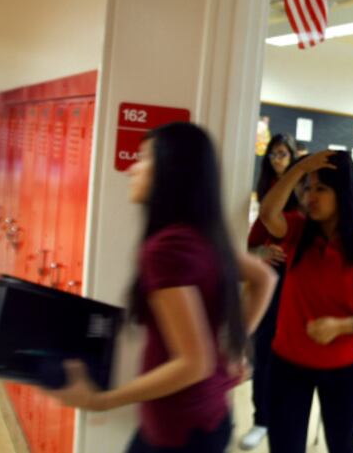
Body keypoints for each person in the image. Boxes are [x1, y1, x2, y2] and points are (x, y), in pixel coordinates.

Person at [47, 122, 277, 453]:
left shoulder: (167, 249)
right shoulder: (198, 235)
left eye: (143, 158)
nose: (131, 169)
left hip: (181, 430)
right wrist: (232, 343)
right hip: (202, 418)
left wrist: (102, 400)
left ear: (171, 171)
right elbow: (263, 278)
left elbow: (193, 362)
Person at [259, 150, 353, 453]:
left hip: (345, 369)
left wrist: (343, 326)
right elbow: (267, 214)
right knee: (284, 447)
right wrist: (301, 168)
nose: (309, 196)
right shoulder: (297, 230)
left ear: (342, 191)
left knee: (341, 447)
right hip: (287, 365)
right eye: (307, 188)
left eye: (321, 188)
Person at [240, 133, 299, 450]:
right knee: (264, 350)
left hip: (299, 285)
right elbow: (248, 245)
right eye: (273, 155)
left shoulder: (304, 195)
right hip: (269, 284)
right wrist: (261, 253)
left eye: (283, 154)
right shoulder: (264, 196)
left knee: (292, 357)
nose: (278, 159)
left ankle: (281, 419)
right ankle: (261, 419)